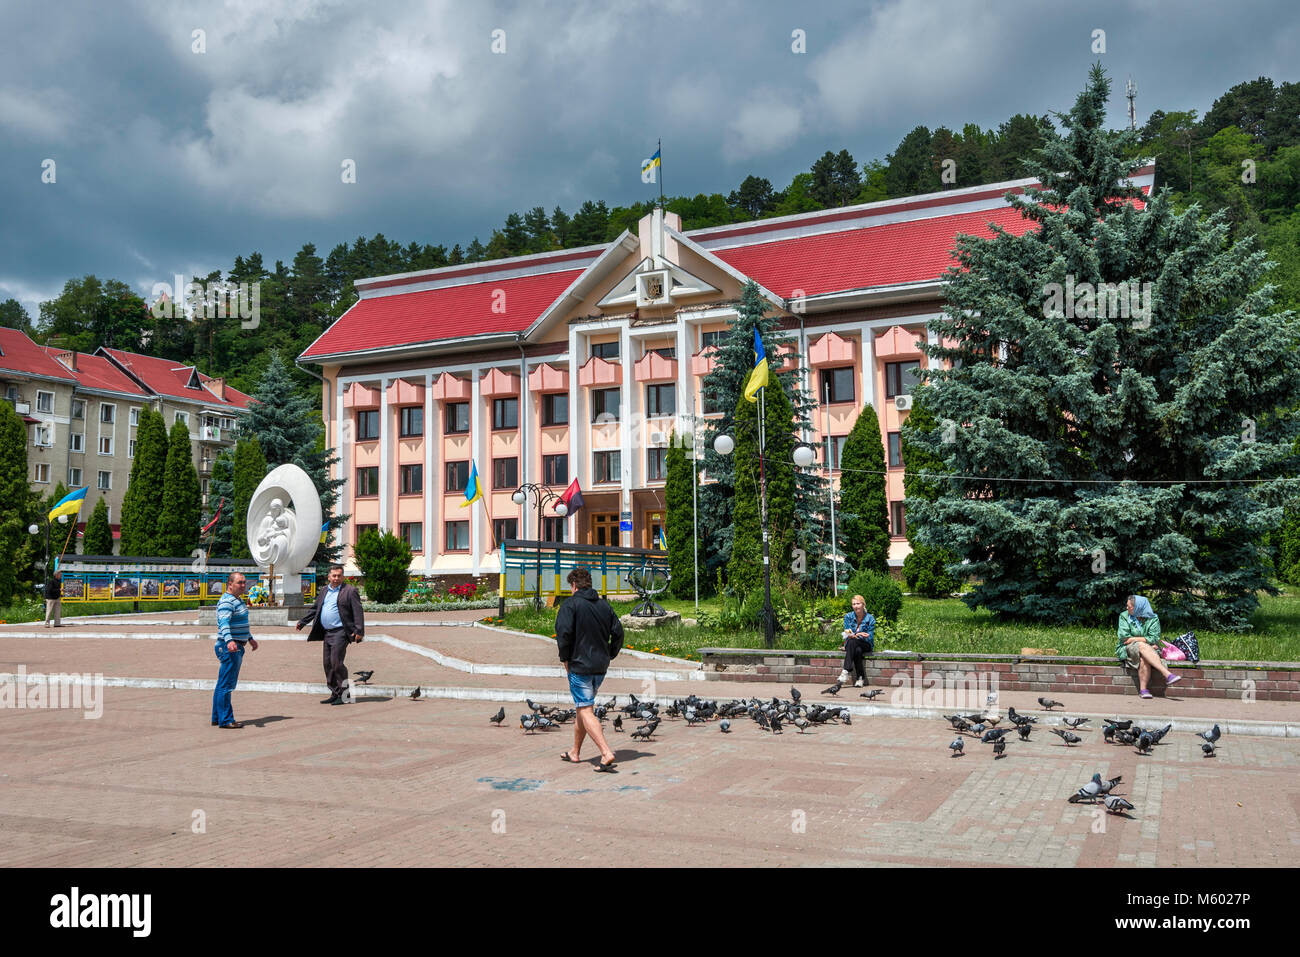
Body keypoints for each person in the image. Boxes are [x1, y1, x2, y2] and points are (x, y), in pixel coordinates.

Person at [556, 566, 622, 771]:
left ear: (574, 585)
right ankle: (575, 752)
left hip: (579, 665)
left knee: (585, 709)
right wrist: (609, 653)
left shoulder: (570, 605)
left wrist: (565, 659)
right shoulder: (604, 606)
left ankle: (605, 752)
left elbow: (564, 634)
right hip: (600, 667)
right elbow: (619, 633)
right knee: (582, 709)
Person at [296, 564, 365, 705]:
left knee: (337, 663)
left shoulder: (350, 591)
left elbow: (358, 612)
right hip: (327, 633)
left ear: (343, 577)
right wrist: (303, 622)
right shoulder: (324, 591)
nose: (336, 578)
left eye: (339, 576)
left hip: (341, 632)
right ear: (329, 577)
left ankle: (345, 695)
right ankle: (335, 692)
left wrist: (359, 631)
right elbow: (316, 609)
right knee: (327, 664)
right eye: (333, 576)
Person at [213, 571, 258, 728]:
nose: (243, 585)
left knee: (222, 683)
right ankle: (226, 720)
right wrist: (229, 640)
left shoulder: (237, 600)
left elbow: (239, 623)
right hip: (229, 648)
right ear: (230, 584)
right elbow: (224, 623)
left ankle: (217, 717)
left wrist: (250, 638)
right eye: (240, 582)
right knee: (227, 685)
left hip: (236, 644)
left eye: (244, 582)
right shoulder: (227, 602)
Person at [1115, 595, 1181, 699]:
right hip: (1127, 648)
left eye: (1129, 606)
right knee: (1142, 646)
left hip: (1149, 650)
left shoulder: (1153, 619)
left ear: (1137, 607)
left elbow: (1154, 638)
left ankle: (1143, 690)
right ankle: (1167, 674)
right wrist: (1143, 641)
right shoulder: (1124, 616)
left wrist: (1134, 639)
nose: (1127, 608)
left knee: (1143, 657)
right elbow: (1125, 638)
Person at [837, 594, 876, 687]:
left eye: (858, 603)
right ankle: (860, 678)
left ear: (863, 605)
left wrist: (858, 635)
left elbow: (870, 637)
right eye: (853, 604)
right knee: (856, 650)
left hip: (866, 644)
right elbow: (847, 632)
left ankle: (846, 670)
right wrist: (856, 634)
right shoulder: (848, 616)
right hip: (852, 643)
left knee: (853, 642)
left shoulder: (870, 618)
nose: (855, 606)